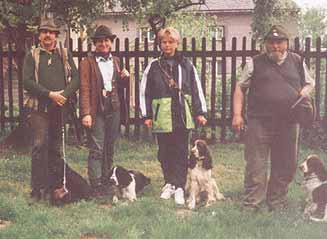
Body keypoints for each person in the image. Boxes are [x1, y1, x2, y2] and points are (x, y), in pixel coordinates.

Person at [232, 25, 315, 211]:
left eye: (279, 42)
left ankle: (277, 202)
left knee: (286, 163)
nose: (275, 46)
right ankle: (251, 204)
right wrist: (237, 115)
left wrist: (304, 92)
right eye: (271, 42)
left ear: (286, 43)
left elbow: (310, 83)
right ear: (265, 44)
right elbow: (240, 88)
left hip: (289, 121)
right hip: (259, 121)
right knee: (255, 164)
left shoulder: (297, 61)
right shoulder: (255, 62)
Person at [140, 27, 207, 205]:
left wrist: (200, 112)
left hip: (182, 115)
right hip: (161, 115)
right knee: (164, 151)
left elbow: (196, 88)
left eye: (171, 42)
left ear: (177, 43)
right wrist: (146, 114)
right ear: (160, 44)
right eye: (164, 42)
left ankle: (179, 185)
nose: (167, 45)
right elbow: (144, 91)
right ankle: (168, 183)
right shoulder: (154, 66)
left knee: (180, 150)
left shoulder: (187, 65)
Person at [23, 18, 80, 201]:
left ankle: (54, 186)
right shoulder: (32, 55)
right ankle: (36, 190)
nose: (48, 35)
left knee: (56, 148)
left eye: (51, 32)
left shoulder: (64, 53)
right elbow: (27, 81)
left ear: (56, 35)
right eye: (44, 32)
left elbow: (76, 78)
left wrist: (63, 95)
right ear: (39, 35)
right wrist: (49, 95)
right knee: (40, 146)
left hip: (59, 108)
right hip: (39, 109)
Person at [79, 25, 130, 196]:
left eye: (107, 40)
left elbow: (119, 86)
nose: (104, 44)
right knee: (97, 147)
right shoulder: (87, 62)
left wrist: (125, 77)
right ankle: (95, 183)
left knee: (109, 145)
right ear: (95, 43)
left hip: (114, 108)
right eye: (100, 41)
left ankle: (107, 178)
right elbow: (84, 88)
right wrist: (86, 113)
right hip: (96, 109)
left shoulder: (115, 60)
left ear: (111, 42)